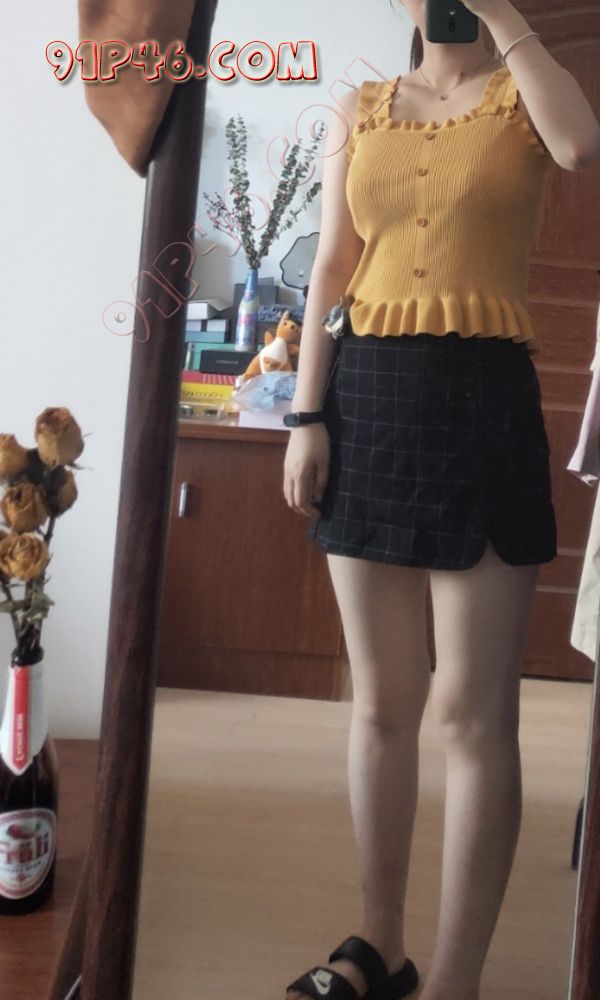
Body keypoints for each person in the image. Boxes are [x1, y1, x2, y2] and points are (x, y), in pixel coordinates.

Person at [282, 2, 600, 1000]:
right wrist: (306, 413)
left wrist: (505, 16)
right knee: (382, 702)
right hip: (367, 401)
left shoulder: (524, 94)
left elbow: (580, 145)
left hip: (484, 404)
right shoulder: (361, 106)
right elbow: (332, 265)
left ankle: (456, 980)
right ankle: (380, 944)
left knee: (472, 715)